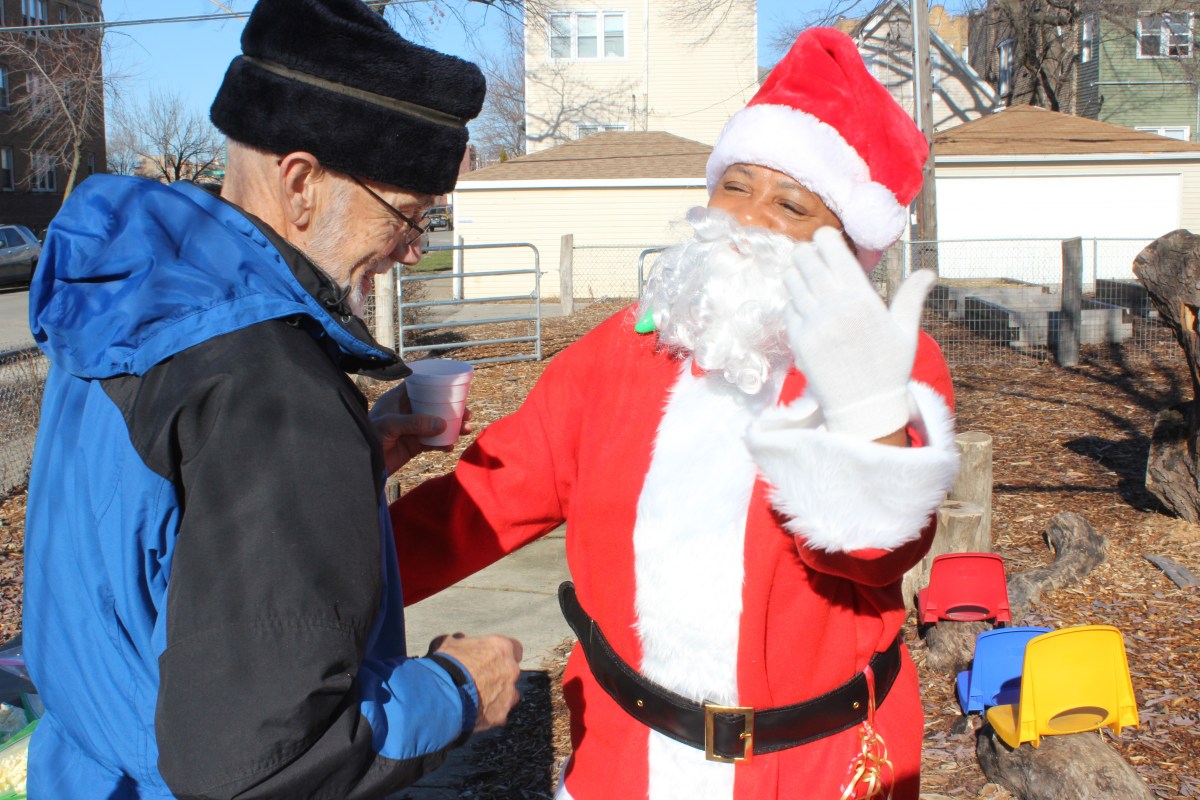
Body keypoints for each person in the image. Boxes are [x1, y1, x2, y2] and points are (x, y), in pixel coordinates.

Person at [385, 28, 960, 800]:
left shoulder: (889, 363)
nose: (749, 219)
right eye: (735, 187)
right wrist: (327, 581)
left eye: (790, 204)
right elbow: (486, 500)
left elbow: (872, 556)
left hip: (814, 767)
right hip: (627, 757)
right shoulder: (619, 353)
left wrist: (863, 413)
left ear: (847, 243)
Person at [21, 0, 523, 797]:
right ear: (301, 183)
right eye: (408, 216)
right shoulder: (272, 387)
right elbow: (266, 757)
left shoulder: (137, 298)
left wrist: (344, 467)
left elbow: (154, 533)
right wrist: (457, 690)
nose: (410, 251)